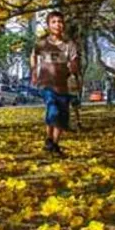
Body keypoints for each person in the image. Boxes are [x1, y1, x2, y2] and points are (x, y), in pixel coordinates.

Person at [30, 11, 80, 155]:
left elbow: (74, 60)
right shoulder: (42, 43)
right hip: (46, 84)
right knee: (53, 109)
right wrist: (34, 71)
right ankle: (48, 138)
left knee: (62, 117)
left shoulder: (69, 45)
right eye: (54, 22)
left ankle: (54, 144)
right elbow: (33, 55)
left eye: (60, 21)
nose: (57, 24)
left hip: (63, 86)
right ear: (48, 25)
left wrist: (74, 66)